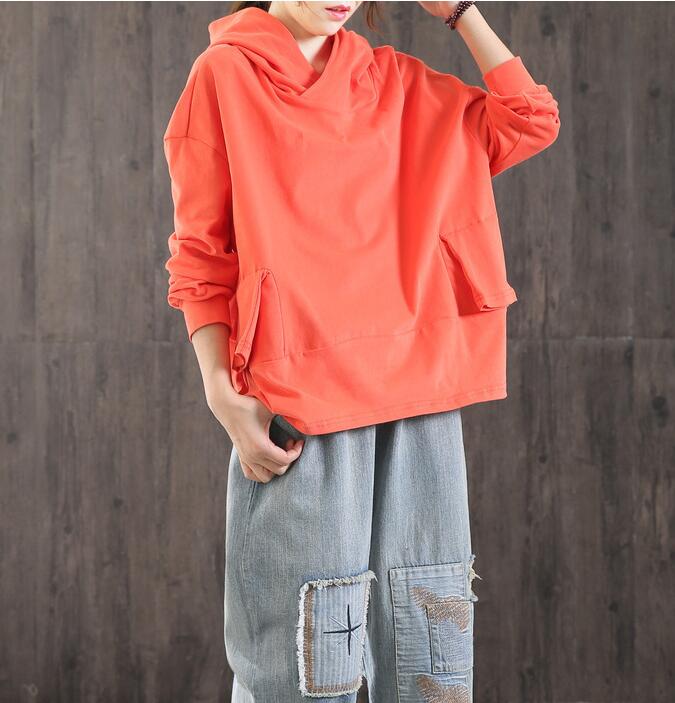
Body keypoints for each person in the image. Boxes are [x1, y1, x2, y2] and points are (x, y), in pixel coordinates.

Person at [162, 1, 560, 701]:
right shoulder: (223, 74)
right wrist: (221, 393)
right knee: (302, 669)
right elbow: (201, 255)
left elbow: (528, 119)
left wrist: (460, 11)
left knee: (428, 657)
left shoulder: (391, 78)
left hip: (417, 394)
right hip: (302, 404)